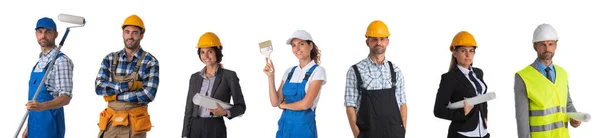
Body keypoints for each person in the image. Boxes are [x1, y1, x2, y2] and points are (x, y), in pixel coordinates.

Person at [95, 14, 159, 138]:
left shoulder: (150, 61)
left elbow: (148, 95)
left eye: (135, 33)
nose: (130, 36)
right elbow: (99, 87)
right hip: (110, 124)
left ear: (141, 35)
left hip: (135, 126)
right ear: (123, 34)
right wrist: (128, 86)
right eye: (127, 32)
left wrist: (114, 95)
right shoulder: (110, 59)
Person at [514, 24, 581, 138]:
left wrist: (575, 117)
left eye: (550, 44)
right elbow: (522, 118)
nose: (547, 49)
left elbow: (567, 103)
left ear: (555, 46)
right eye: (542, 45)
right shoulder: (523, 76)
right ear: (535, 47)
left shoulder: (562, 73)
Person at [344, 20, 407, 138]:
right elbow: (350, 106)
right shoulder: (355, 71)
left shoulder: (396, 71)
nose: (379, 42)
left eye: (382, 39)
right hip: (367, 134)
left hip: (394, 134)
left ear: (387, 42)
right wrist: (358, 135)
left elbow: (402, 104)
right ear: (367, 42)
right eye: (374, 39)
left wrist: (402, 131)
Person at [181, 32, 247, 138]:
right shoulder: (194, 78)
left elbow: (241, 107)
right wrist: (184, 135)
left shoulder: (229, 76)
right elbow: (189, 109)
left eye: (210, 51)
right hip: (195, 127)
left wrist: (225, 112)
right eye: (202, 52)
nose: (205, 56)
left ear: (217, 52)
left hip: (215, 128)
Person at [263, 30, 326, 138]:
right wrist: (271, 77)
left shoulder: (318, 71)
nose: (297, 49)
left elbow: (306, 104)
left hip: (304, 129)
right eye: (293, 45)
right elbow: (275, 102)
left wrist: (283, 105)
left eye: (301, 44)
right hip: (285, 126)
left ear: (310, 46)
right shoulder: (289, 72)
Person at [22, 17, 75, 138]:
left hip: (49, 127)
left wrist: (41, 106)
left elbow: (65, 98)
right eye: (40, 32)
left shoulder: (61, 61)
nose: (43, 35)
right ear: (36, 34)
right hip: (34, 125)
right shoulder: (40, 60)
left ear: (56, 34)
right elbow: (34, 101)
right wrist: (28, 126)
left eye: (48, 32)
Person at [433, 31, 490, 138]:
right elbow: (438, 110)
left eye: (471, 51)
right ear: (455, 53)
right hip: (463, 133)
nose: (468, 54)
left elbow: (483, 99)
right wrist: (462, 113)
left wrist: (485, 117)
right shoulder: (449, 78)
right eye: (463, 50)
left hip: (483, 133)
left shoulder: (478, 73)